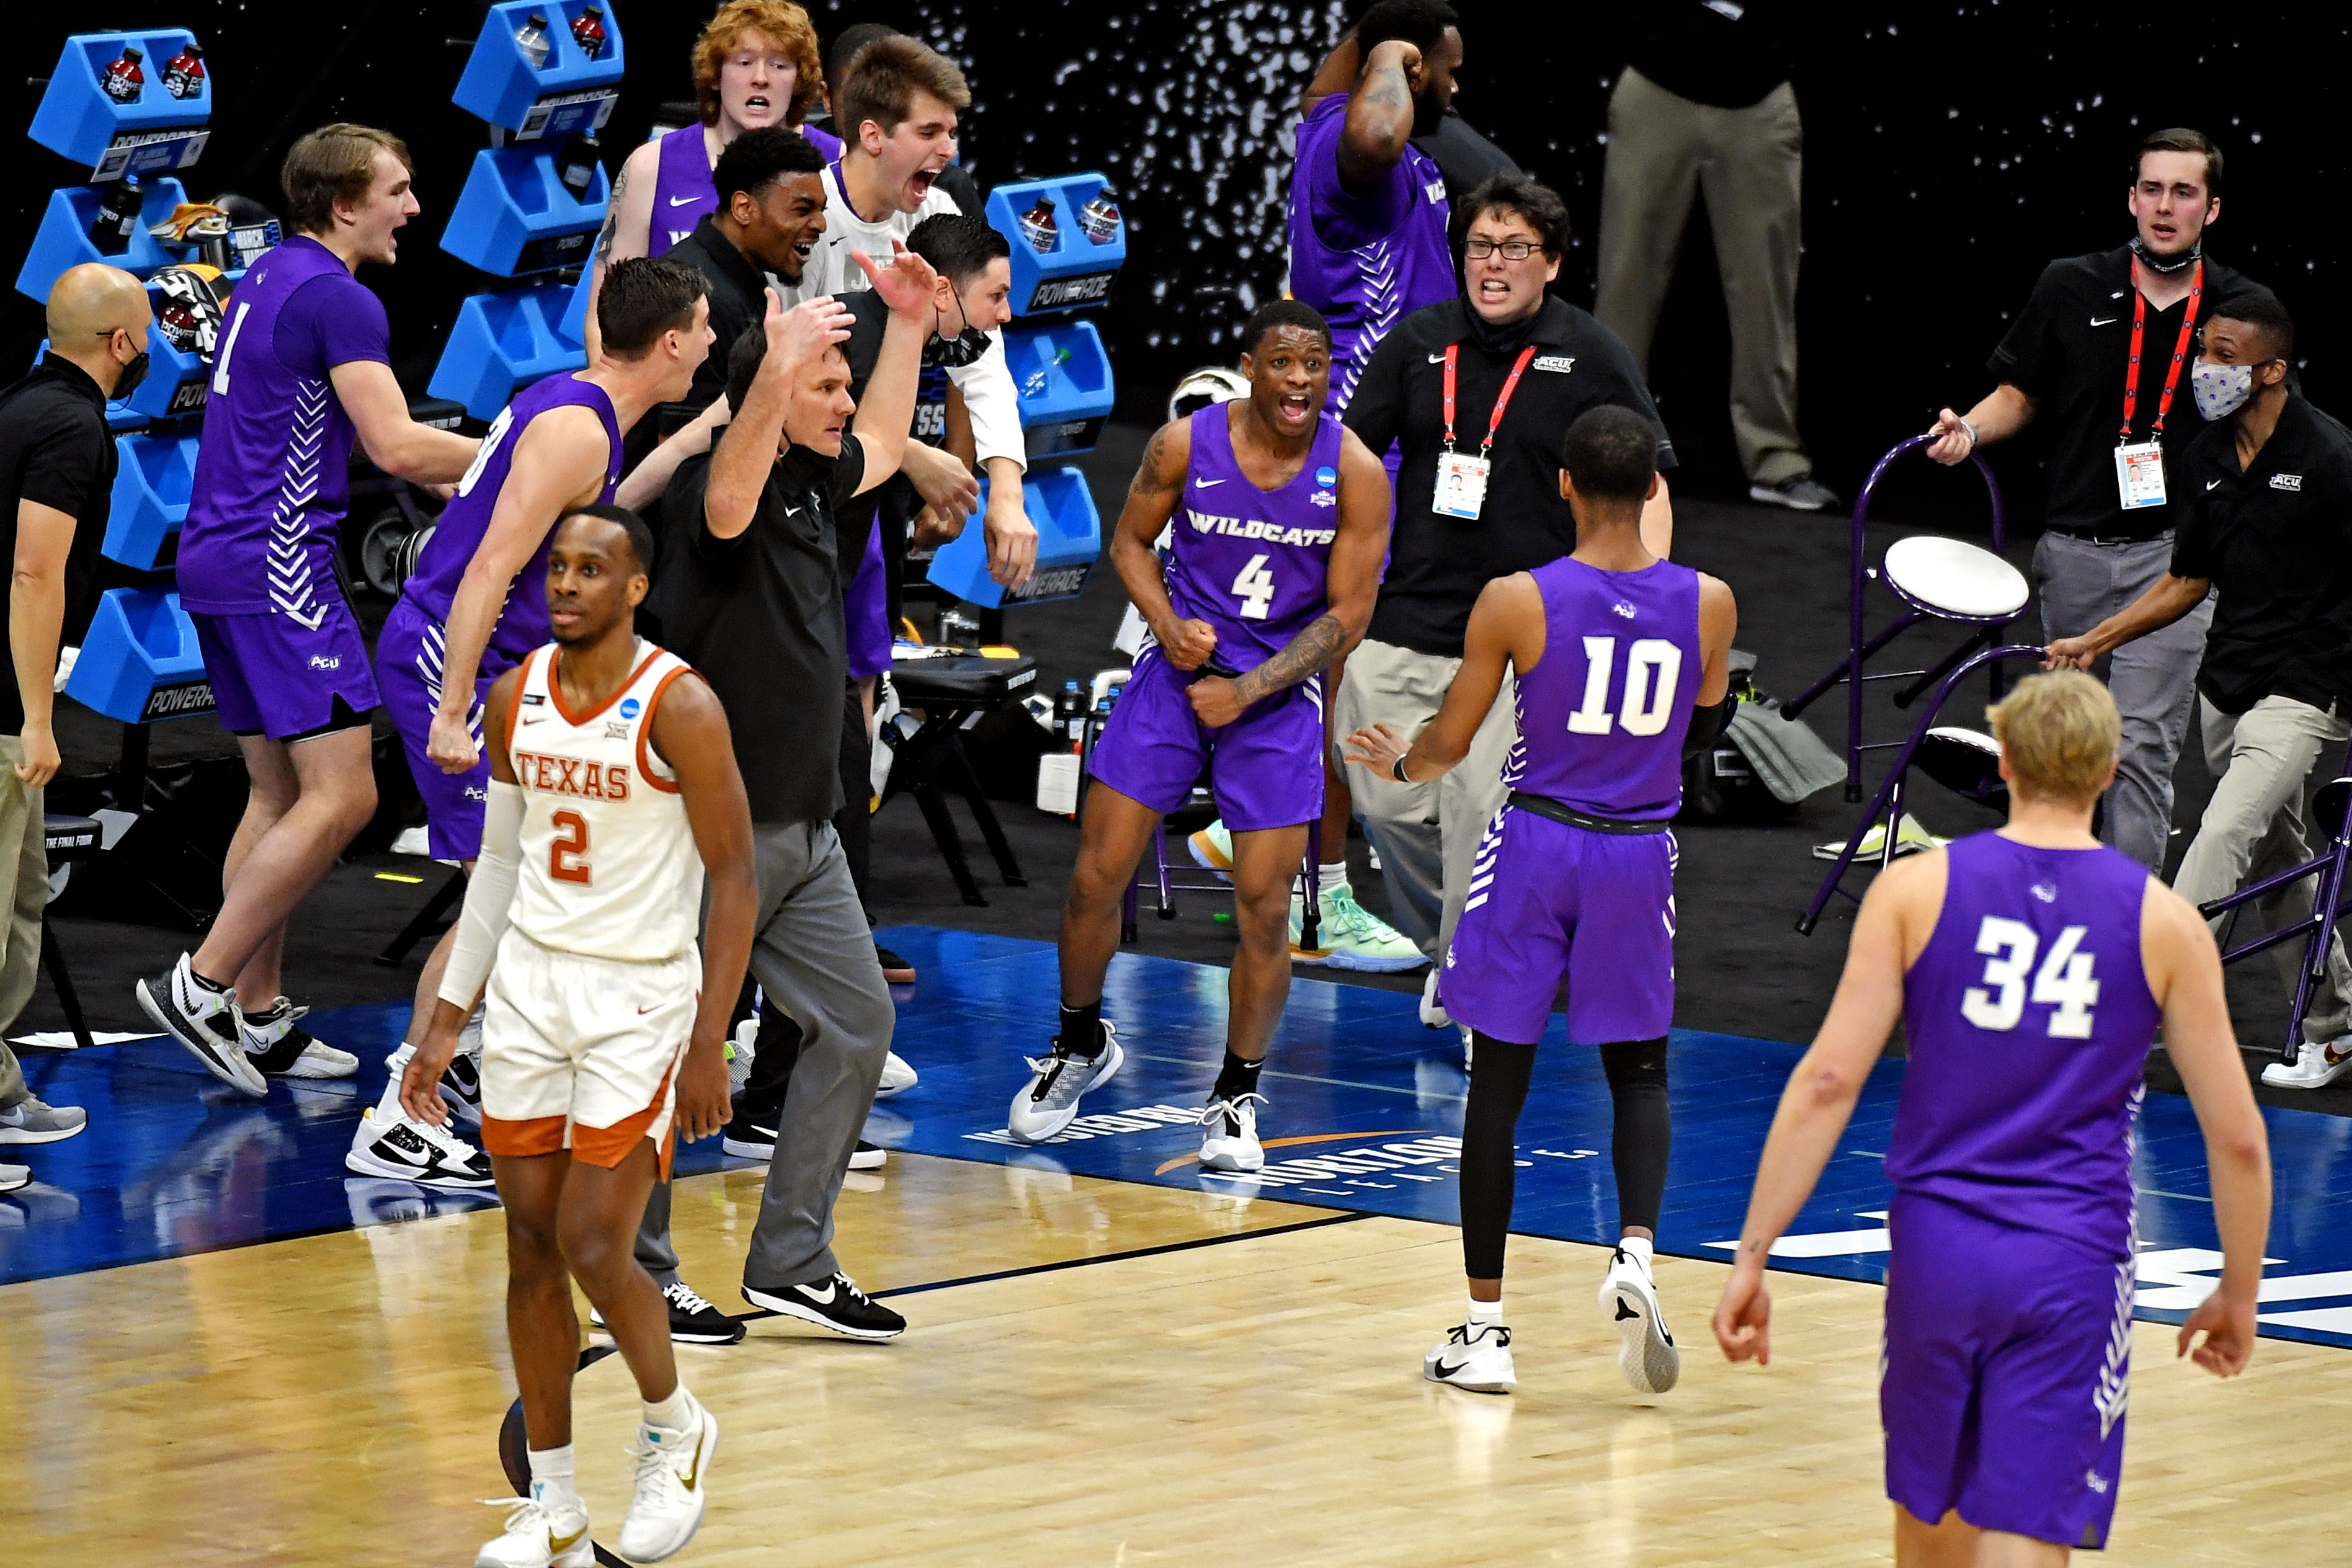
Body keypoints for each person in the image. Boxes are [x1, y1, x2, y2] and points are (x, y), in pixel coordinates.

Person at [1712, 670, 2271, 1564]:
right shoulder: (2165, 924)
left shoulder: (1914, 890)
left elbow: (1825, 1082)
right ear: (2110, 769)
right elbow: (2238, 1136)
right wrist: (2238, 1291)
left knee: (1930, 1516)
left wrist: (1751, 1254)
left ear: (2002, 760)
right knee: (2029, 1526)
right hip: (2071, 1257)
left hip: (1938, 1248)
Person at [1344, 404, 1734, 1394]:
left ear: (1562, 484)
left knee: (1498, 1089)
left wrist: (1407, 757)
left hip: (1536, 843)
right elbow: (1706, 714)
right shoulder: (1710, 600)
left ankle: (1485, 1330)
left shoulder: (1517, 599)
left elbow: (1453, 736)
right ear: (1654, 489)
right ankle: (1637, 1253)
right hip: (1637, 850)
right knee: (1640, 1074)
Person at [401, 506, 755, 1568]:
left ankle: (672, 1421)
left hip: (640, 1001)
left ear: (635, 586)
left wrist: (709, 1038)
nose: (565, 584)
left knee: (597, 1240)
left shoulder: (680, 703)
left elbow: (736, 876)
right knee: (527, 1241)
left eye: (590, 568)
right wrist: (446, 1016)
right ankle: (552, 1504)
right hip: (531, 996)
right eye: (556, 567)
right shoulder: (514, 697)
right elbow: (499, 869)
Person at [354, 259, 717, 1215]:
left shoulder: (586, 411)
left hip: (481, 664)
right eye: (706, 328)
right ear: (672, 341)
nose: (714, 342)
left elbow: (588, 513)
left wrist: (690, 449)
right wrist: (449, 707)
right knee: (498, 895)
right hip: (454, 657)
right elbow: (481, 571)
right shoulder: (572, 428)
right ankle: (401, 1108)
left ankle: (457, 1061)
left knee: (515, 886)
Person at [1007, 300, 1389, 1172]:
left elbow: (1351, 614)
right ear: (1250, 365)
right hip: (1174, 683)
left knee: (1262, 907)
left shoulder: (1357, 471)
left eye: (1315, 364)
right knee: (1096, 875)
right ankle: (1078, 1043)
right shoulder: (1183, 445)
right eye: (1283, 362)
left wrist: (1250, 688)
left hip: (1278, 698)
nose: (1300, 379)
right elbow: (1131, 544)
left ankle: (1234, 1095)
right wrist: (1169, 625)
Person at [140, 124, 479, 1096]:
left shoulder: (270, 274)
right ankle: (202, 984)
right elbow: (400, 449)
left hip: (217, 561)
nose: (412, 208)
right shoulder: (341, 296)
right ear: (344, 206)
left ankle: (256, 1014)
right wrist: (525, 453)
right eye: (398, 191)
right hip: (281, 567)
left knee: (278, 796)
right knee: (348, 795)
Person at [646, 247, 936, 1340]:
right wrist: (775, 363)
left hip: (802, 832)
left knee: (858, 1025)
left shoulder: (815, 485)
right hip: (707, 834)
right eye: (824, 385)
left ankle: (792, 1258)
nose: (842, 404)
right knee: (673, 1047)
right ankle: (642, 1264)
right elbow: (730, 487)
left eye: (840, 386)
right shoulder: (713, 490)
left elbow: (883, 443)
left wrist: (903, 327)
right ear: (765, 394)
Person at [1341, 175, 1675, 1031]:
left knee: (1480, 814)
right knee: (1386, 802)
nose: (1494, 265)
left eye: (1515, 249)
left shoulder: (1591, 353)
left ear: (1552, 263)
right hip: (1408, 621)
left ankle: (1466, 983)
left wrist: (1639, 595)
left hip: (1527, 639)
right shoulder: (1418, 341)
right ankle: (1455, 949)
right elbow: (1345, 456)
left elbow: (1651, 486)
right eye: (1481, 247)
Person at [1927, 128, 2266, 872]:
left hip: (2177, 566)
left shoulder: (2244, 309)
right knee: (2071, 747)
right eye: (2152, 189)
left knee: (2143, 745)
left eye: (2184, 192)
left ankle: (2124, 934)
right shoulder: (2071, 283)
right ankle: (2061, 908)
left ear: (2212, 209)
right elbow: (2019, 391)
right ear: (2132, 198)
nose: (2165, 206)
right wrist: (1969, 431)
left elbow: (2269, 436)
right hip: (2074, 553)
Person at [2045, 293, 2352, 1089]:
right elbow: (2188, 581)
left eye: (2224, 355)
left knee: (2221, 836)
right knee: (2278, 853)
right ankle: (2337, 1023)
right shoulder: (2206, 457)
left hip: (2304, 688)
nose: (2205, 370)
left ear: (2274, 369)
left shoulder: (2330, 458)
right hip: (2228, 684)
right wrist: (2094, 641)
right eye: (2204, 353)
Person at [0, 263, 151, 1177]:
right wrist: (39, 716)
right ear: (122, 343)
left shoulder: (23, 403)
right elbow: (34, 573)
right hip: (2, 711)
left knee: (17, 914)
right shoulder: (71, 428)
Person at [800, 34, 1037, 593]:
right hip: (798, 484)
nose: (949, 149)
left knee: (866, 666)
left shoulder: (940, 212)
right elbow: (783, 381)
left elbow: (981, 361)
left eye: (952, 132)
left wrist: (1004, 493)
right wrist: (910, 454)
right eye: (930, 132)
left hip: (878, 477)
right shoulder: (808, 218)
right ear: (872, 135)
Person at [1595, 2, 1832, 512]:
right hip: (1656, 88)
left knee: (1765, 290)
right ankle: (1606, 451)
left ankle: (1775, 459)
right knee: (1625, 283)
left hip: (1759, 98)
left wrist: (1767, 50)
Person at [583, 0, 830, 359]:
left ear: (800, 79)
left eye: (779, 65)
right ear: (715, 75)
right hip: (667, 389)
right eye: (744, 63)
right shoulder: (650, 165)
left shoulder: (835, 164)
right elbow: (602, 317)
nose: (760, 77)